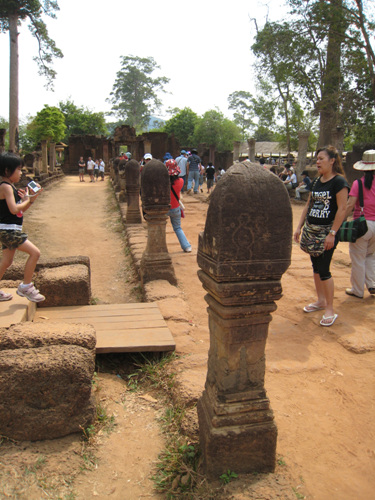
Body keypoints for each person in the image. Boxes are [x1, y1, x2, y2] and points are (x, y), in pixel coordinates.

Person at [293, 146, 349, 327]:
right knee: (316, 267)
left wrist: (332, 233)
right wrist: (299, 227)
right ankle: (320, 301)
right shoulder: (317, 181)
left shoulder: (339, 182)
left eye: (321, 159)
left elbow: (342, 209)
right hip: (312, 231)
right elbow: (308, 205)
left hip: (327, 232)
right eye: (316, 159)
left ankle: (330, 309)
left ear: (332, 160)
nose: (317, 162)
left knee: (324, 269)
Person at [0, 153, 45, 302]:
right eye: (18, 169)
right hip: (8, 230)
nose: (21, 173)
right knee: (35, 253)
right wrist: (28, 199)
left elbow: (19, 211)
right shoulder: (5, 187)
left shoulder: (10, 187)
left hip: (10, 229)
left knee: (6, 262)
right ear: (7, 171)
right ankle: (26, 286)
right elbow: (14, 209)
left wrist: (30, 200)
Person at [344, 150, 375, 298]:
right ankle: (372, 284)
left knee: (358, 258)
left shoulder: (358, 184)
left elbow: (350, 205)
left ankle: (357, 290)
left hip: (362, 224)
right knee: (370, 256)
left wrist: (340, 221)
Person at [165, 159, 192, 252]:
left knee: (160, 227)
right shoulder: (180, 181)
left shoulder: (163, 183)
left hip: (164, 208)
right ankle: (187, 246)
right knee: (177, 228)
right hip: (175, 207)